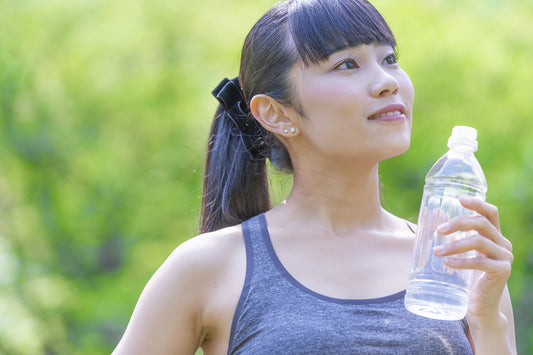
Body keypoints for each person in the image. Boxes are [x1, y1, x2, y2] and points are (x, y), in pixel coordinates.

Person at [113, 0, 516, 354]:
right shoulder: (208, 266)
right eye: (346, 64)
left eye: (389, 58)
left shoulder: (459, 265)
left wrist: (486, 318)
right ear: (275, 113)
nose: (387, 81)